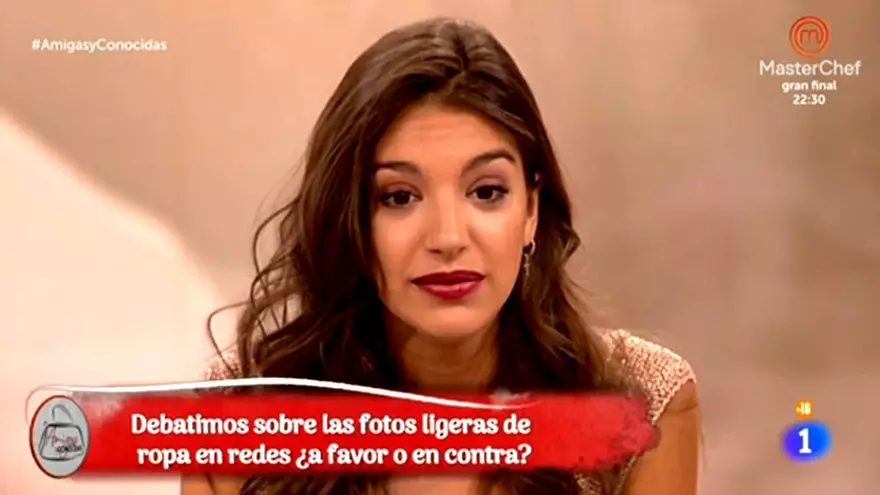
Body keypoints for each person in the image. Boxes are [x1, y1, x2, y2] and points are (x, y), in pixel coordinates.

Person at [182, 17, 699, 495]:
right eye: (399, 197)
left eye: (487, 192)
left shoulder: (644, 402)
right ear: (349, 219)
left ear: (531, 210)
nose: (448, 238)